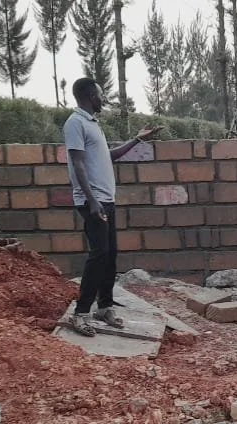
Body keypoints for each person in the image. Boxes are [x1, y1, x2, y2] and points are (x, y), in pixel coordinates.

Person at [64, 77, 159, 336]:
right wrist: (92, 201)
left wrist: (137, 139)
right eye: (100, 94)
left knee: (110, 255)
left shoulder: (93, 124)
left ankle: (104, 307)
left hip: (106, 200)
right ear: (89, 96)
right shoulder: (75, 123)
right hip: (93, 201)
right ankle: (81, 312)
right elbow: (77, 164)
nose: (103, 99)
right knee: (99, 255)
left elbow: (109, 156)